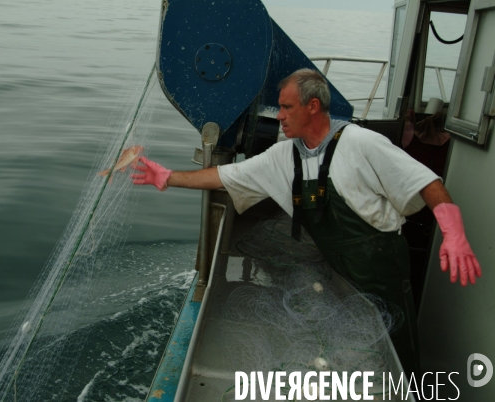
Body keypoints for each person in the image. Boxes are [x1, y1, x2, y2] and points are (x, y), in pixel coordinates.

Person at [130, 68, 481, 375]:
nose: (279, 115)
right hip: (338, 270)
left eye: (286, 107)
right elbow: (225, 175)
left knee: (395, 350)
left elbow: (429, 183)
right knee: (354, 348)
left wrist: (453, 235)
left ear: (313, 107)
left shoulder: (362, 143)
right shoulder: (284, 156)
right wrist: (168, 177)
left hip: (380, 269)